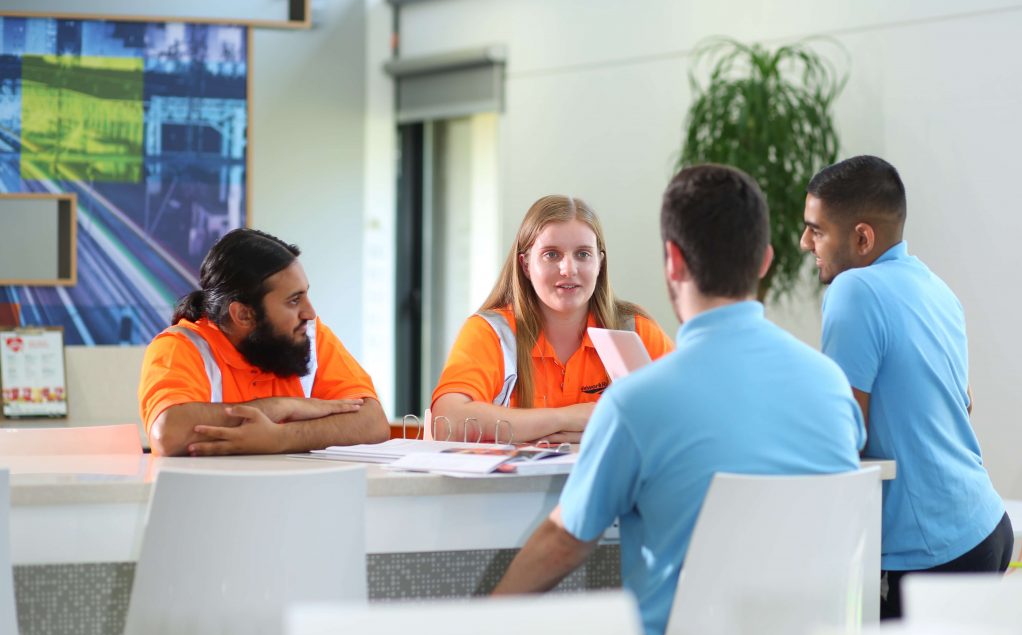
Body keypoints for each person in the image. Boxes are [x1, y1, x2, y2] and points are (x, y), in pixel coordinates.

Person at [493, 165, 864, 635]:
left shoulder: (637, 402)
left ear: (673, 262)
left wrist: (478, 623)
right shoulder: (831, 387)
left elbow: (566, 539)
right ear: (765, 261)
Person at [801, 155, 1012, 619]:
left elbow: (842, 436)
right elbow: (963, 400)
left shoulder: (852, 290)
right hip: (985, 527)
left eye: (816, 230)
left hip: (933, 553)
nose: (804, 242)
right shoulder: (935, 287)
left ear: (861, 238)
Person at [431, 195, 673, 444]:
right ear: (525, 265)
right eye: (551, 255)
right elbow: (447, 422)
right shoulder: (491, 331)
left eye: (582, 254)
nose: (568, 269)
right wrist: (567, 419)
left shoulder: (635, 329)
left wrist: (531, 428)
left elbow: (687, 415)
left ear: (600, 262)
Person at [138, 228, 390, 456]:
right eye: (294, 300)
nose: (310, 313)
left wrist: (280, 437)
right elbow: (168, 433)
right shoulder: (180, 346)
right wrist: (280, 407)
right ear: (243, 314)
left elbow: (373, 423)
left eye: (306, 294)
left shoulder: (311, 336)